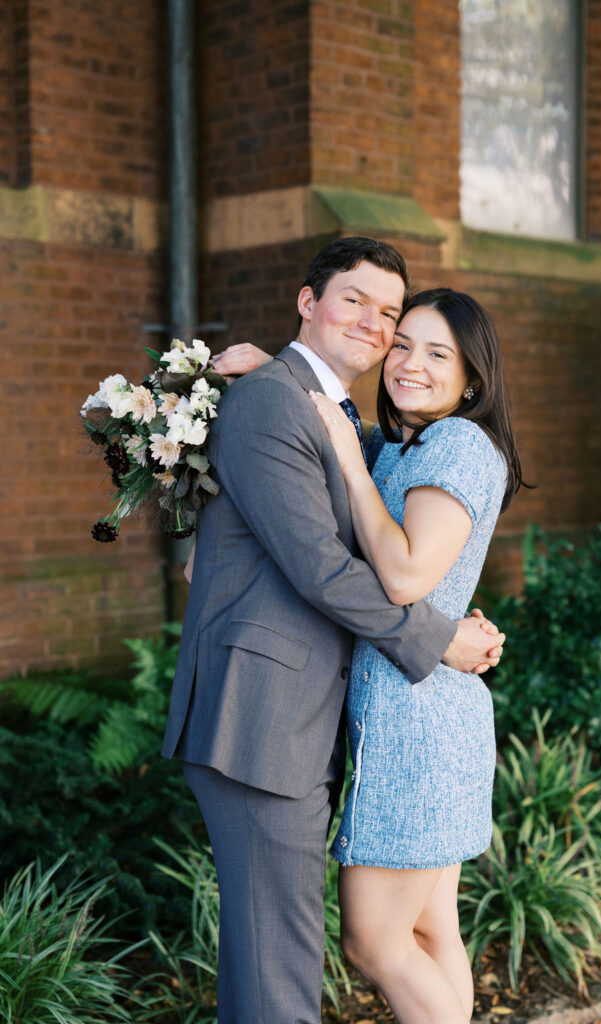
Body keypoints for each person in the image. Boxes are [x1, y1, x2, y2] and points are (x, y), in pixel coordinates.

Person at [162, 236, 506, 1024]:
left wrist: (279, 371)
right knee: (280, 967)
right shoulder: (273, 403)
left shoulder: (349, 419)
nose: (376, 327)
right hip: (261, 717)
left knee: (289, 956)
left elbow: (374, 465)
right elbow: (320, 567)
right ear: (307, 302)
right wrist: (438, 637)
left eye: (390, 313)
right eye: (355, 300)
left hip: (300, 718)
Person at [308, 287, 524, 1024]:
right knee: (430, 932)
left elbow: (403, 576)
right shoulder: (412, 444)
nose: (409, 363)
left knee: (373, 942)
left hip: (415, 725)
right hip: (430, 707)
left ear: (471, 379)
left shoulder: (456, 443)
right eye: (402, 345)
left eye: (437, 353)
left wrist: (349, 462)